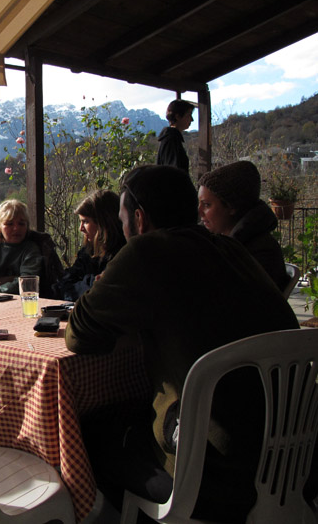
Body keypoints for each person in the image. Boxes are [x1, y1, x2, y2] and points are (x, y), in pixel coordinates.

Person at [65, 165, 301, 521]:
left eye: (122, 217)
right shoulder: (231, 248)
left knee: (87, 430)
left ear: (139, 219)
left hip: (215, 474)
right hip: (290, 454)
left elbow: (78, 335)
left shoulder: (145, 253)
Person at [198, 160, 289, 292]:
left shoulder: (260, 252)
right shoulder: (226, 244)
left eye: (207, 205)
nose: (199, 211)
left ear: (231, 207)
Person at [0, 199, 63, 296]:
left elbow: (26, 282)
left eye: (21, 224)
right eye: (9, 224)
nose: (16, 228)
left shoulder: (31, 249)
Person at [51, 190, 125, 301]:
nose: (80, 228)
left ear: (103, 222)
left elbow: (103, 293)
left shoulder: (122, 253)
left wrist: (84, 284)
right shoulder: (88, 252)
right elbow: (63, 284)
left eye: (85, 222)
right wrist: (90, 282)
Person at [156, 99, 195, 172]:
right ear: (178, 116)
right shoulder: (171, 140)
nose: (192, 119)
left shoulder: (172, 138)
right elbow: (173, 174)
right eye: (189, 115)